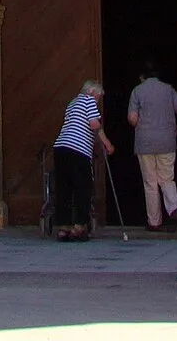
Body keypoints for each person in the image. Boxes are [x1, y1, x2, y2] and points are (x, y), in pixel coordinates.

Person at [126, 65, 177, 228]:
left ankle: (154, 221)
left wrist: (140, 124)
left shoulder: (137, 91)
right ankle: (173, 209)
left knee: (150, 182)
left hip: (145, 142)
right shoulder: (168, 90)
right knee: (167, 179)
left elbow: (132, 118)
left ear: (142, 77)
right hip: (167, 141)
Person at [51, 77, 112, 239]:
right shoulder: (88, 101)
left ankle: (63, 228)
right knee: (83, 188)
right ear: (92, 92)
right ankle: (79, 227)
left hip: (60, 148)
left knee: (64, 189)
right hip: (78, 150)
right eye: (99, 96)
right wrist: (107, 144)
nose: (98, 100)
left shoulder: (72, 103)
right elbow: (94, 125)